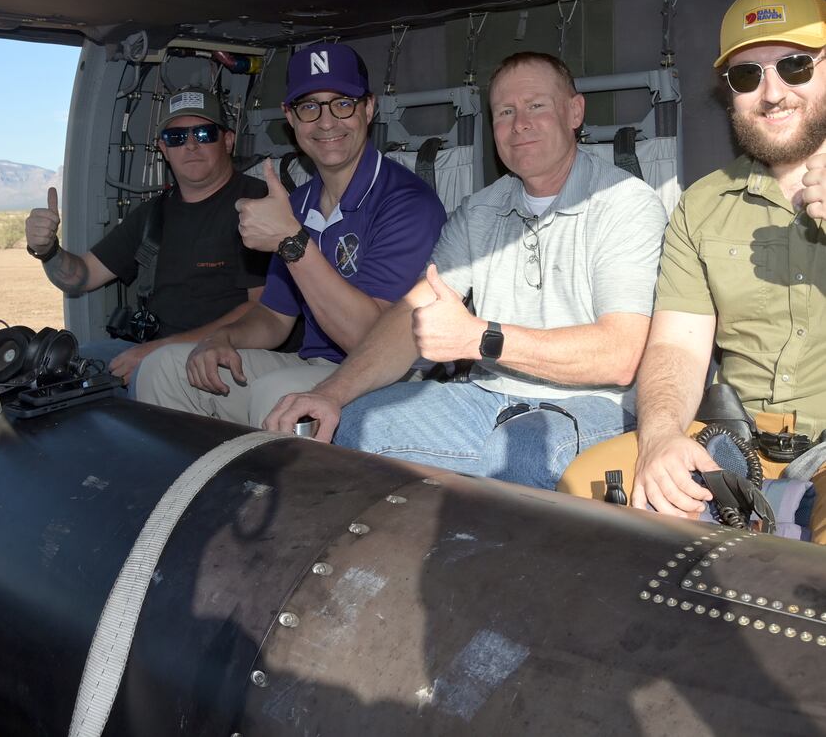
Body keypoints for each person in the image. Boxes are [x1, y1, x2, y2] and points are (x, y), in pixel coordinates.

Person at [266, 52, 668, 490]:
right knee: (356, 424)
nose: (520, 125)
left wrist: (481, 337)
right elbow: (410, 317)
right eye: (505, 113)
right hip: (488, 396)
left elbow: (620, 356)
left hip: (597, 404)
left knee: (519, 452)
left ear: (574, 112)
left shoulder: (626, 204)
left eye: (536, 106)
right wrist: (330, 394)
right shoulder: (481, 210)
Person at [135, 41, 447, 425]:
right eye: (309, 106)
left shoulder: (407, 203)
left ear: (368, 108)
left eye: (342, 103)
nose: (326, 121)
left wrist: (292, 243)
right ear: (291, 117)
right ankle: (190, 483)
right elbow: (274, 317)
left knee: (278, 394)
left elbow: (368, 339)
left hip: (391, 379)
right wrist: (224, 338)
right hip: (312, 365)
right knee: (165, 367)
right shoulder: (297, 204)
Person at [628, 0, 826, 530]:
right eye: (747, 75)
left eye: (795, 66)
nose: (772, 92)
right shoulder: (702, 205)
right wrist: (662, 435)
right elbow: (677, 346)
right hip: (737, 448)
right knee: (598, 506)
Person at [24, 88, 269, 387]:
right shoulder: (154, 214)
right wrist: (47, 250)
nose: (190, 145)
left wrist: (159, 351)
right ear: (162, 149)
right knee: (51, 377)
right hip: (150, 352)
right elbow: (81, 276)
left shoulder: (258, 204)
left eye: (204, 134)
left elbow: (263, 310)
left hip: (224, 354)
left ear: (228, 140)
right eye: (176, 137)